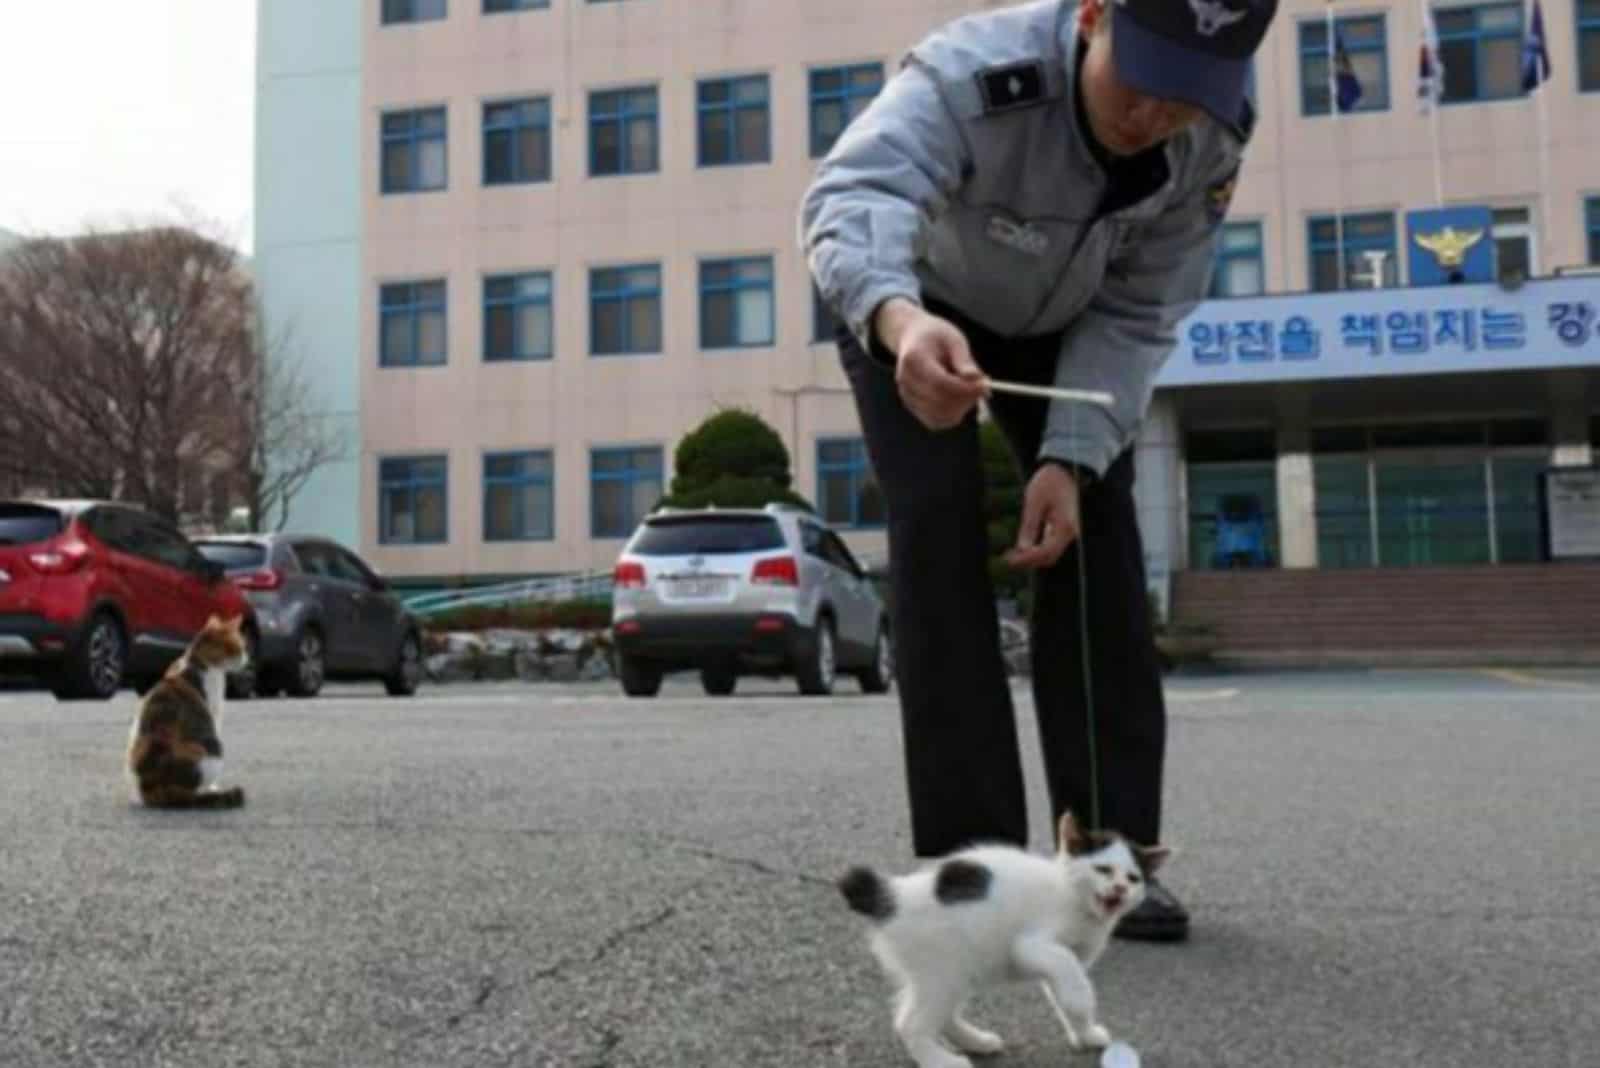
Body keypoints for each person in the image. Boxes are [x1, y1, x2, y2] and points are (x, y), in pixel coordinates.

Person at [799, 0, 1278, 942]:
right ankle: (968, 867)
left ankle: (1110, 855)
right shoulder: (972, 76)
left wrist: (1069, 458)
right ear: (1094, 16)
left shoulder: (1210, 132)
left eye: (1185, 101)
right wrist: (898, 321)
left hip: (1072, 325)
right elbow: (852, 199)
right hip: (912, 297)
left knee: (1093, 536)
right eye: (1139, 85)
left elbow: (1143, 308)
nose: (1154, 119)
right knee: (937, 525)